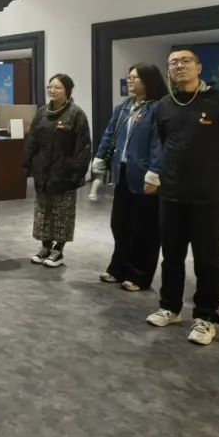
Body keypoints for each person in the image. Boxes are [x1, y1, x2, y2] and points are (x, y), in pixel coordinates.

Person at [145, 47, 219, 346]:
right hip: (172, 193)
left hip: (208, 195)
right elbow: (164, 142)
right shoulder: (164, 104)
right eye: (173, 62)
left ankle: (205, 316)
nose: (180, 66)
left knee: (207, 259)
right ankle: (170, 307)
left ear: (199, 67)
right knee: (171, 255)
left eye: (186, 61)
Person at [92, 63, 168, 291]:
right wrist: (100, 157)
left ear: (149, 80)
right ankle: (118, 268)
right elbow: (109, 133)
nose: (130, 80)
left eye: (136, 77)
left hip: (146, 176)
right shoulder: (124, 107)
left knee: (145, 228)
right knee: (120, 224)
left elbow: (159, 143)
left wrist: (155, 172)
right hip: (124, 173)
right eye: (129, 77)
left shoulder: (158, 108)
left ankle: (140, 275)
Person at [24, 73, 92, 269]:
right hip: (43, 172)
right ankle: (45, 246)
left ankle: (58, 250)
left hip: (64, 173)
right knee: (43, 212)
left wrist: (76, 172)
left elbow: (84, 146)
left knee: (62, 213)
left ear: (68, 90)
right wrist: (28, 163)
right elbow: (32, 139)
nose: (52, 90)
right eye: (50, 87)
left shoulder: (76, 114)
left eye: (57, 87)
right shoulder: (42, 113)